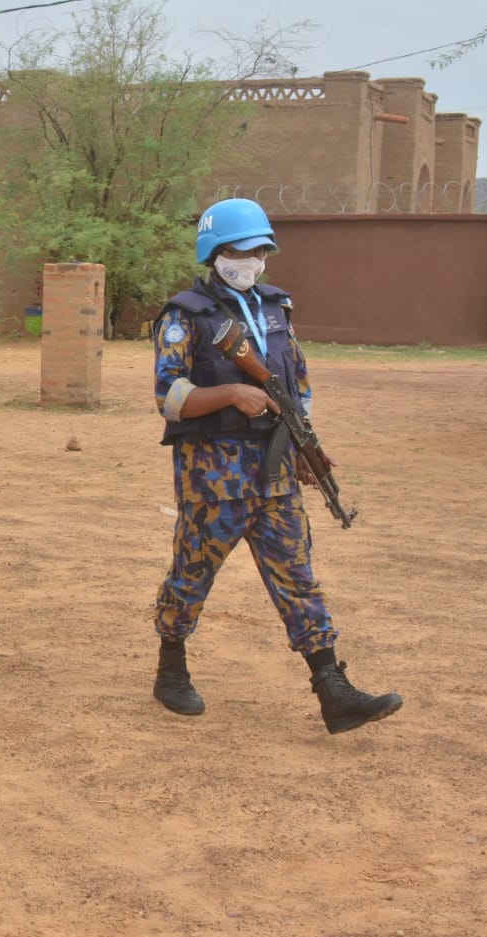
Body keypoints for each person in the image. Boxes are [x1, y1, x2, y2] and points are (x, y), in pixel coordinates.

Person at [150, 197, 402, 734]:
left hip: (275, 474)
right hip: (213, 476)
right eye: (243, 251)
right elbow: (168, 397)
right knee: (191, 576)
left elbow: (296, 387)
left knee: (299, 579)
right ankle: (171, 670)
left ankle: (334, 691)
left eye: (262, 251)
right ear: (216, 253)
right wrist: (230, 393)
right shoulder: (185, 315)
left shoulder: (274, 308)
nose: (255, 261)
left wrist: (303, 448)